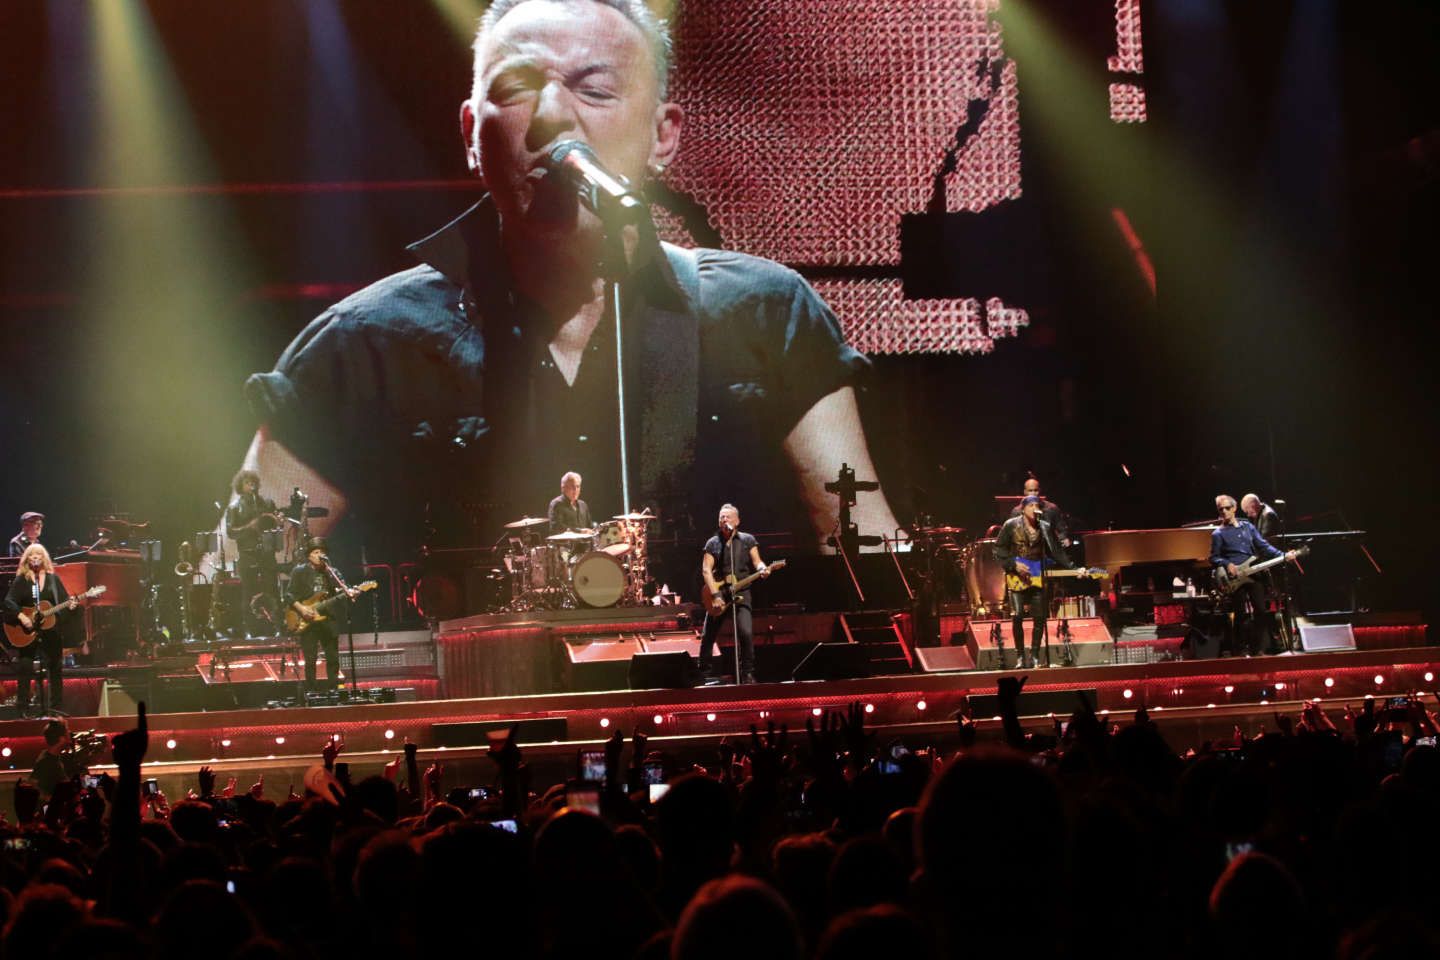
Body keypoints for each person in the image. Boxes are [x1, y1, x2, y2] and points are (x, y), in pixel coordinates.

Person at [233, 0, 899, 563]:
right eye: (516, 88)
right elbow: (238, 582)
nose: (552, 114)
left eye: (595, 89)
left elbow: (869, 551)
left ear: (662, 137)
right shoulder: (363, 346)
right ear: (472, 133)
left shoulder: (763, 314)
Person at [993, 495, 1075, 669]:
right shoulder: (1011, 525)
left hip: (1037, 575)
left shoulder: (1044, 527)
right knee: (1018, 617)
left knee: (1039, 618)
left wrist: (1074, 568)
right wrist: (1013, 564)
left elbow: (1057, 551)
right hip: (1016, 577)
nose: (1034, 508)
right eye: (1030, 505)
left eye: (1037, 505)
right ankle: (1020, 656)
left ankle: (1035, 655)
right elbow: (998, 549)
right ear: (1023, 508)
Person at [1210, 494, 1296, 656]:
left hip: (1254, 573)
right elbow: (1214, 557)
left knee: (1262, 612)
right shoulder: (1218, 534)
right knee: (1240, 614)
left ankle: (1257, 649)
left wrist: (1283, 555)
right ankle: (1240, 650)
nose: (1224, 511)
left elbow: (1264, 547)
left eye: (1227, 508)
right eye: (1220, 509)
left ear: (1234, 508)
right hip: (1235, 577)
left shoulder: (1248, 527)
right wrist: (1227, 564)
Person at [699, 504, 770, 684]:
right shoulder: (713, 543)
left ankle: (747, 673)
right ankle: (703, 673)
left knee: (746, 633)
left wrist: (763, 569)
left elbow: (758, 562)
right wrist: (715, 595)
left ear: (737, 521)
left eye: (728, 517)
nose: (724, 520)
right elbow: (706, 570)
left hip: (742, 592)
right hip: (720, 592)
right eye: (721, 517)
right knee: (708, 635)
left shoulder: (747, 540)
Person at [3, 543, 72, 715]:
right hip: (27, 631)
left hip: (50, 630)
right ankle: (22, 708)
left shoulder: (53, 579)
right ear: (27, 559)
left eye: (38, 555)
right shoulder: (22, 579)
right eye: (32, 555)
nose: (35, 558)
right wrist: (22, 617)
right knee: (25, 667)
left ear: (44, 559)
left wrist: (72, 605)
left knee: (55, 667)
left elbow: (64, 600)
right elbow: (9, 602)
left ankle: (56, 709)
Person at [284, 538, 360, 691]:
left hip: (328, 619)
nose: (320, 555)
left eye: (322, 552)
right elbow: (288, 595)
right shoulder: (300, 571)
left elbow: (343, 589)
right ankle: (311, 691)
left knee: (333, 658)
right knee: (310, 659)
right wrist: (302, 609)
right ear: (309, 555)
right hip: (306, 620)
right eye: (316, 552)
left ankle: (334, 691)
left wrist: (352, 593)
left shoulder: (332, 572)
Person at [224, 469, 280, 637]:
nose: (252, 486)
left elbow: (275, 523)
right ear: (240, 486)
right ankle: (251, 629)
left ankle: (276, 626)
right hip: (247, 554)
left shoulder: (266, 503)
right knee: (248, 592)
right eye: (247, 483)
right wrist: (250, 526)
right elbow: (230, 532)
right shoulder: (234, 507)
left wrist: (277, 522)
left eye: (253, 482)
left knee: (272, 589)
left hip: (266, 552)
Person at [1007, 477, 1069, 546]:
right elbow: (1010, 534)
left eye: (1035, 490)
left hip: (1048, 549)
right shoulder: (1017, 511)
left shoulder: (1052, 508)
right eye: (1030, 491)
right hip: (1025, 550)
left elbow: (1062, 530)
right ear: (1025, 492)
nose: (1033, 493)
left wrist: (1062, 539)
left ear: (1039, 491)